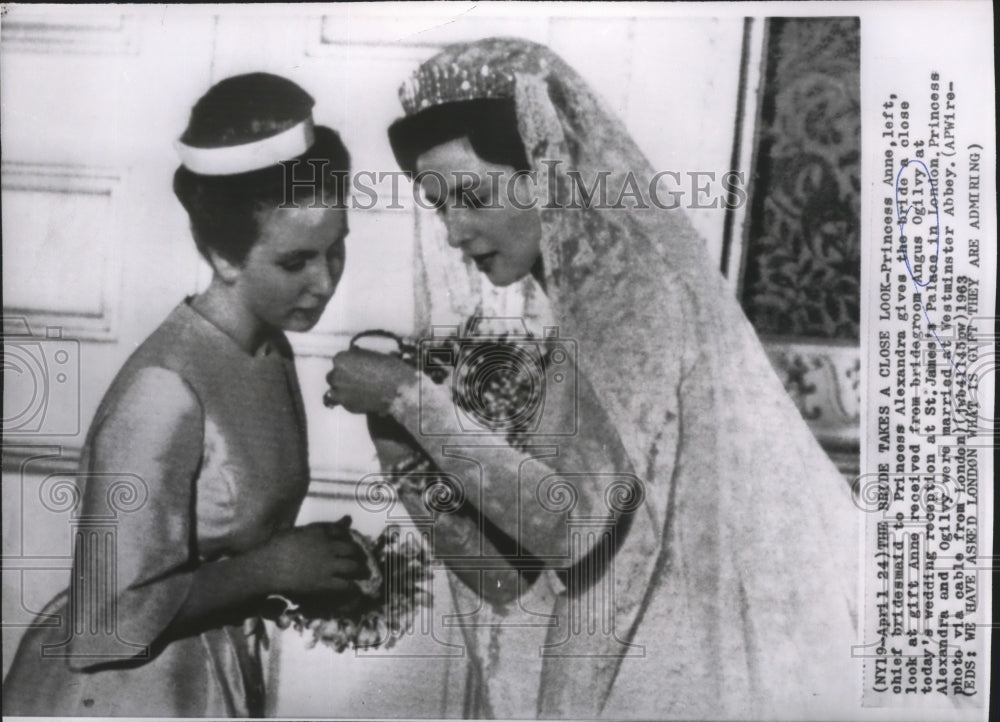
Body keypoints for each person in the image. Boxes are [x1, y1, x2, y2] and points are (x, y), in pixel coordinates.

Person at [324, 38, 858, 720]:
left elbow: (565, 526)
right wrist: (399, 442)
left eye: (472, 196)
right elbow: (506, 580)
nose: (455, 233)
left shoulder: (633, 300)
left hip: (674, 670)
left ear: (549, 170)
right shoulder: (588, 314)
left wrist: (407, 394)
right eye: (439, 207)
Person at [2, 72, 366, 717]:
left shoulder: (270, 350)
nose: (324, 282)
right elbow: (101, 624)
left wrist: (312, 569)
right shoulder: (163, 389)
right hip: (128, 693)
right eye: (295, 261)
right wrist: (271, 571)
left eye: (335, 252)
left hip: (214, 671)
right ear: (225, 258)